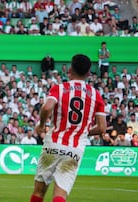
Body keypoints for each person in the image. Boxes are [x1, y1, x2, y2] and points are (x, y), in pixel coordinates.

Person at [31, 54, 106, 202]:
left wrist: (41, 126)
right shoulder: (96, 95)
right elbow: (102, 128)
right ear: (89, 73)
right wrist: (82, 131)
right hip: (75, 148)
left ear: (70, 69)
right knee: (60, 194)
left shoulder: (59, 88)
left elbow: (47, 108)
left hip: (53, 143)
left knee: (39, 192)